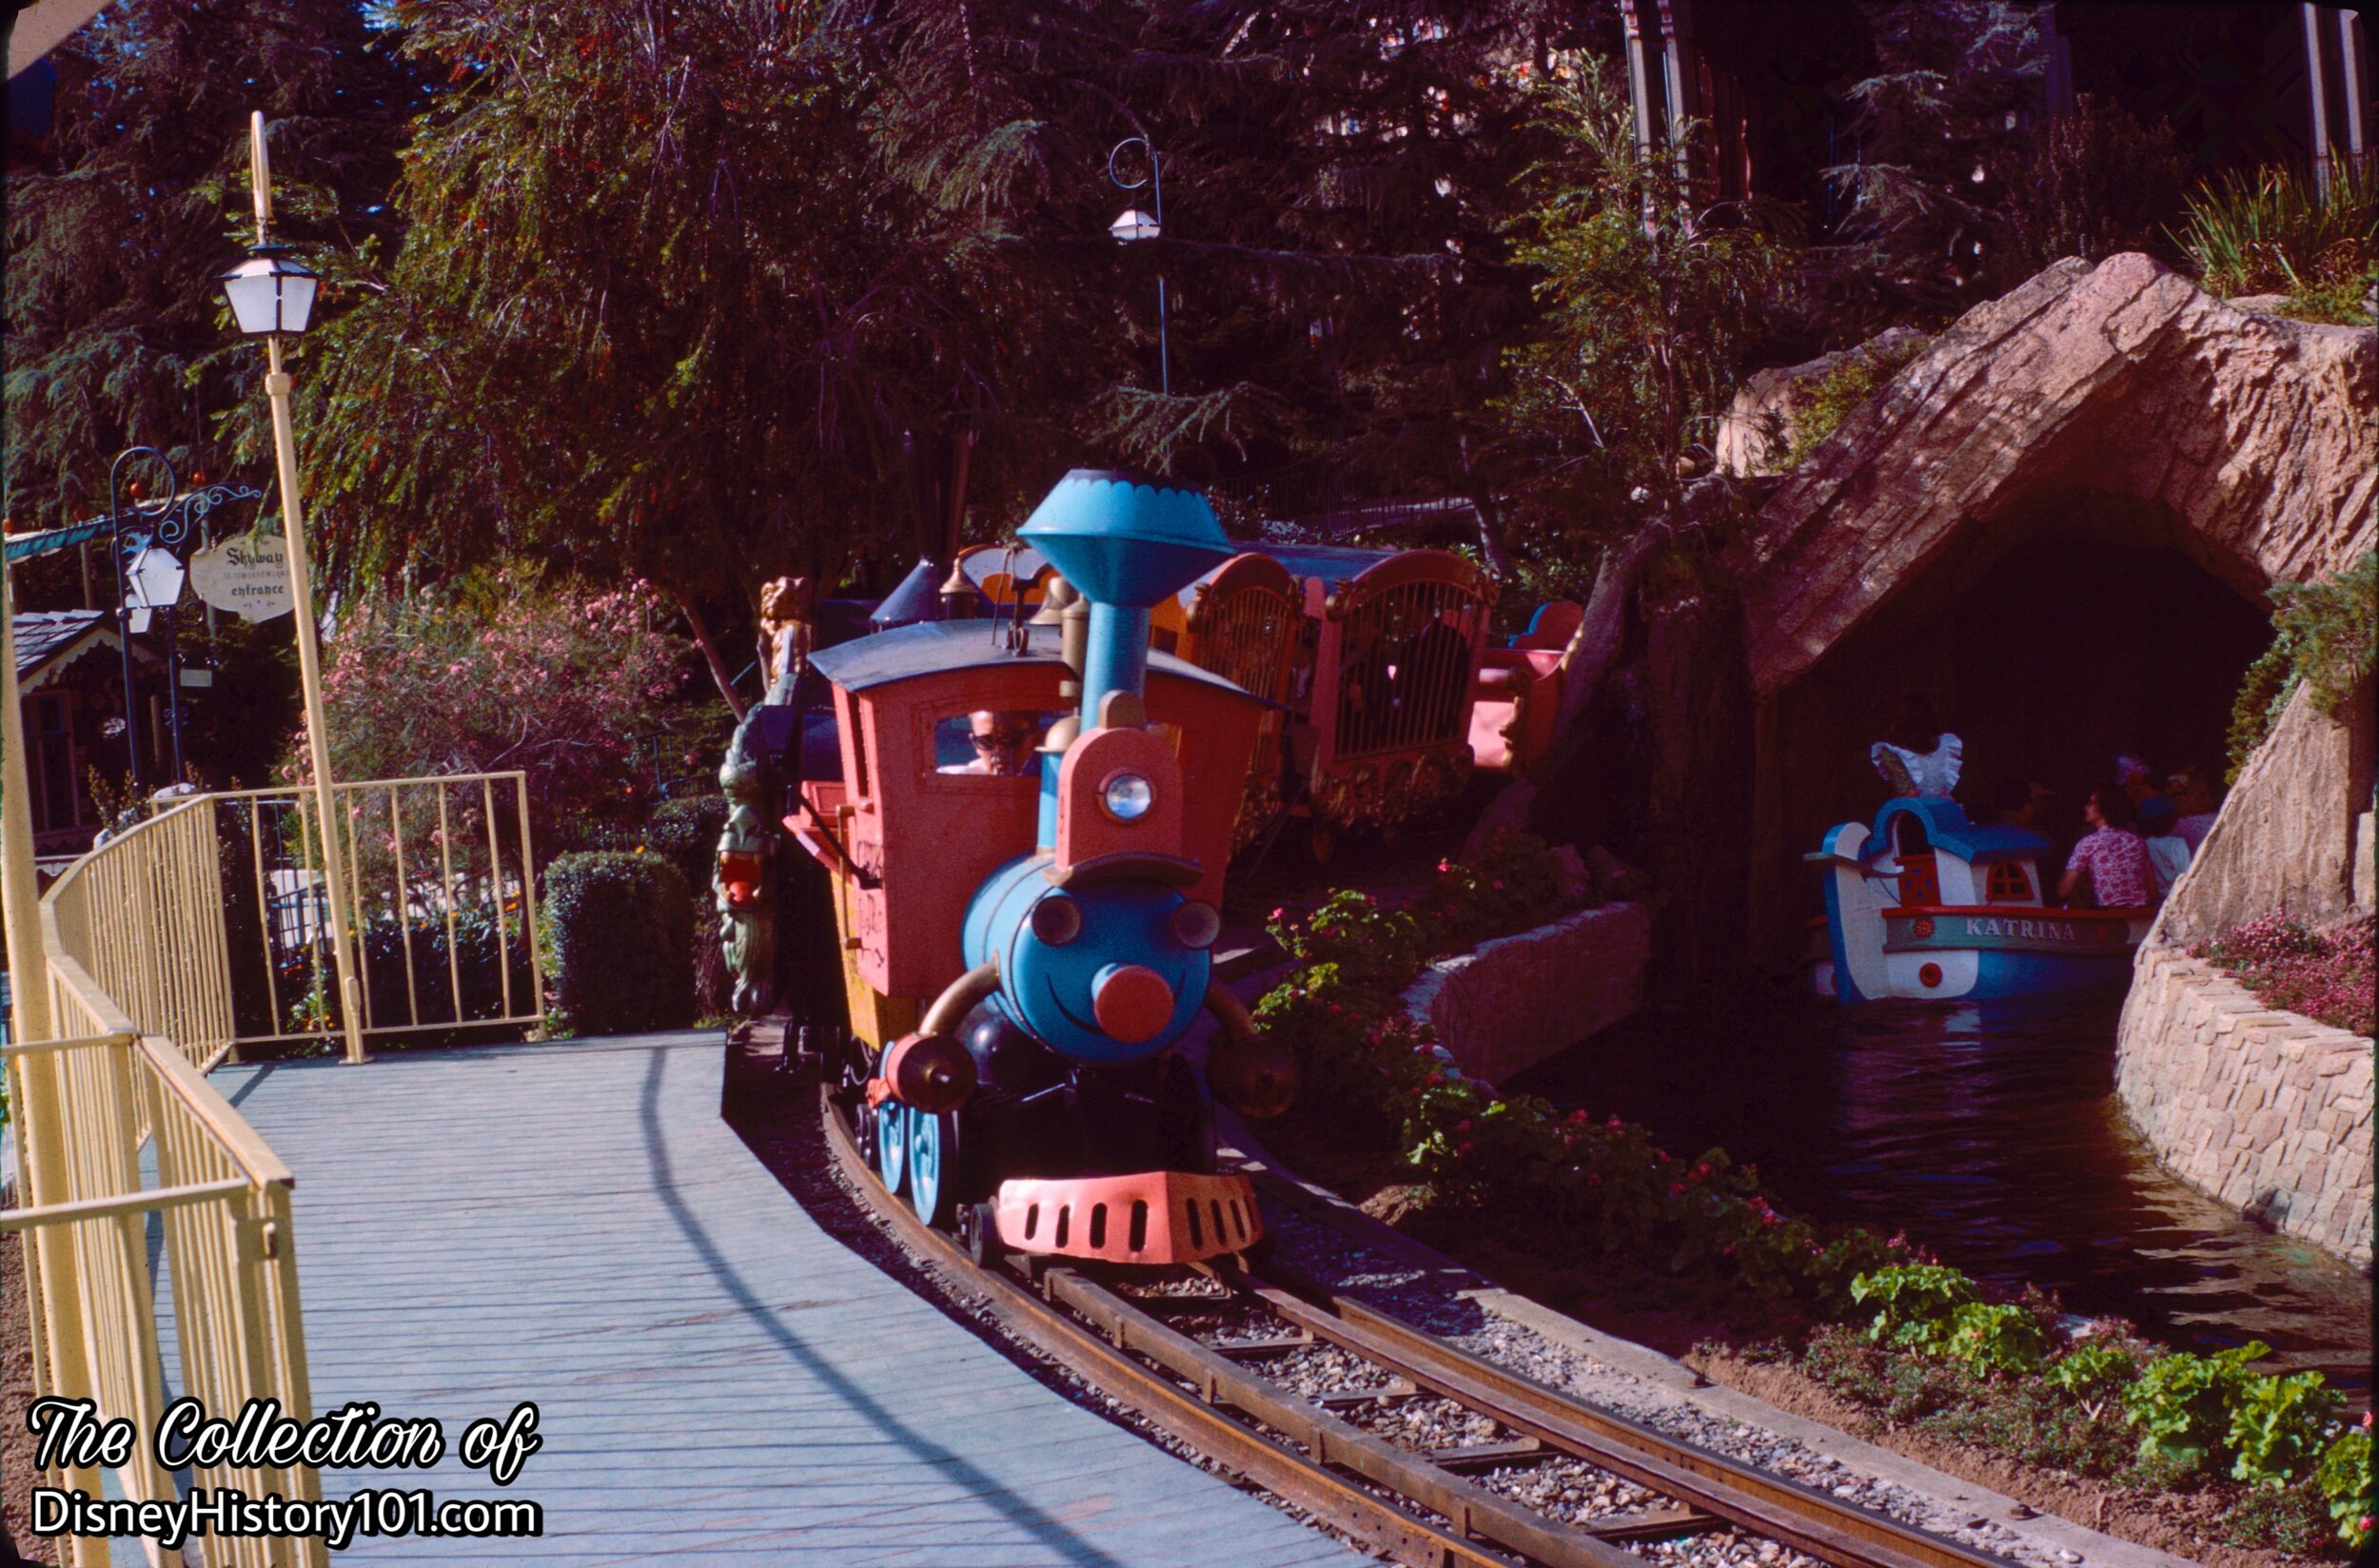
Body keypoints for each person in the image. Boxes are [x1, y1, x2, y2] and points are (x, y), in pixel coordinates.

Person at [2057, 788, 2154, 910]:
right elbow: (2152, 890)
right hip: (2141, 911)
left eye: (2091, 803)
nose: (2085, 808)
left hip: (2108, 914)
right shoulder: (2137, 841)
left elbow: (2064, 890)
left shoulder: (2089, 842)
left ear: (2104, 807)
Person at [1871, 695, 1963, 798]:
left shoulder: (1890, 753)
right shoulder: (1946, 744)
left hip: (1914, 811)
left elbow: (1909, 792)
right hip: (1944, 808)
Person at [939, 710, 1041, 776]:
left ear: (1035, 739)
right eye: (985, 741)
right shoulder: (954, 781)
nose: (999, 750)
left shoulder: (1052, 781)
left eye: (1009, 738)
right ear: (975, 744)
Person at [2139, 799, 2192, 901]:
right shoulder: (2177, 843)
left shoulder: (2143, 844)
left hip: (2156, 898)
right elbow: (2186, 872)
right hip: (2176, 896)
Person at [2168, 767, 2221, 853]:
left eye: (2206, 794)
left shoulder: (2216, 818)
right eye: (2200, 797)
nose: (2206, 800)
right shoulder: (2175, 827)